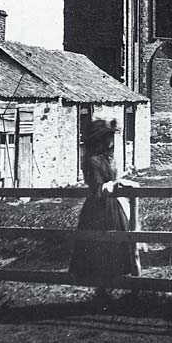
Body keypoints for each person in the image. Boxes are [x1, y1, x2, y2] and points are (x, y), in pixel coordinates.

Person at [68, 119, 141, 287]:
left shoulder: (107, 159)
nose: (111, 141)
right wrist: (115, 185)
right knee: (99, 246)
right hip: (99, 209)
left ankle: (113, 285)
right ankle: (101, 290)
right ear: (99, 140)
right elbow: (97, 188)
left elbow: (113, 180)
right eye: (108, 137)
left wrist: (120, 182)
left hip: (113, 206)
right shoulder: (92, 161)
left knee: (116, 245)